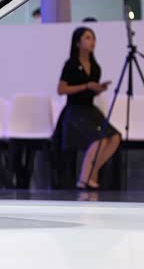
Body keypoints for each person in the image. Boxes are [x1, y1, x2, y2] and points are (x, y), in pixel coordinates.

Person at [52, 27, 121, 190]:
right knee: (99, 139)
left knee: (115, 138)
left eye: (93, 38)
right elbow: (61, 90)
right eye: (88, 38)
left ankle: (90, 174)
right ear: (78, 43)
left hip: (90, 110)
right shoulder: (71, 65)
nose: (92, 42)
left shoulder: (96, 67)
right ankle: (85, 178)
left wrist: (98, 89)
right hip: (74, 112)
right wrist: (85, 86)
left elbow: (91, 91)